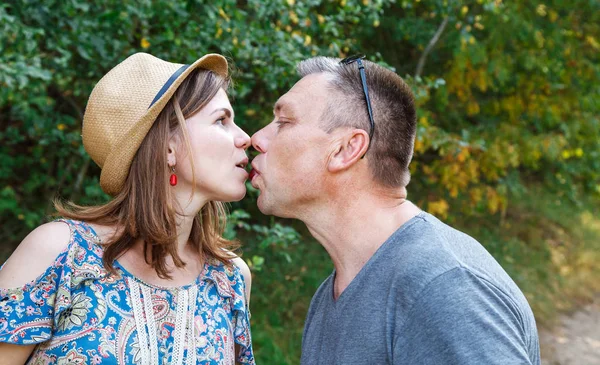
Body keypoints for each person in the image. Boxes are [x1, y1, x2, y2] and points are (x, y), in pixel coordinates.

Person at [249, 55, 540, 365]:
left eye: (284, 121)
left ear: (346, 149)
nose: (256, 138)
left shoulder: (444, 289)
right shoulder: (332, 294)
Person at [0, 53, 255, 364]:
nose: (245, 138)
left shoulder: (230, 279)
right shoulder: (61, 253)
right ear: (167, 147)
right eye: (221, 120)